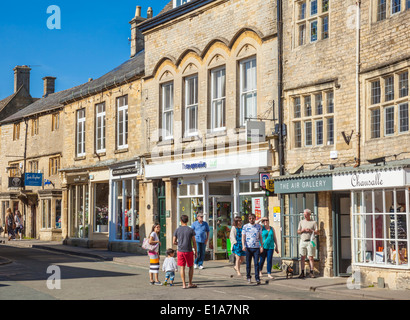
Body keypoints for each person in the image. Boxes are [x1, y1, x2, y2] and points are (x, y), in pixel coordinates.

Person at [173, 215, 198, 289]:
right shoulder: (191, 230)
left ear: (181, 221)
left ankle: (183, 284)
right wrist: (196, 251)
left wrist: (179, 243)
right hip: (188, 250)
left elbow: (174, 242)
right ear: (187, 221)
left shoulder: (177, 230)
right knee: (190, 267)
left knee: (182, 267)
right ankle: (190, 283)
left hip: (180, 250)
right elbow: (194, 242)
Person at [242, 213, 263, 285]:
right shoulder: (245, 226)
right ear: (248, 219)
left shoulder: (258, 226)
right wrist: (243, 245)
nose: (251, 220)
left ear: (255, 219)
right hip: (248, 247)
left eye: (253, 218)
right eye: (250, 218)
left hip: (256, 247)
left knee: (256, 263)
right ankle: (248, 277)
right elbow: (243, 237)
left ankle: (257, 278)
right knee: (248, 264)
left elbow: (260, 236)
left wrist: (261, 246)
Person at [297, 209, 319, 278]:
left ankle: (311, 272)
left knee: (310, 257)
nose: (305, 216)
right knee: (302, 257)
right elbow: (298, 231)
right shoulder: (301, 222)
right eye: (304, 214)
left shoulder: (314, 222)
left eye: (306, 214)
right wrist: (302, 230)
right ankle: (302, 272)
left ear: (310, 214)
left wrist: (311, 230)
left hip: (310, 241)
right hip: (303, 240)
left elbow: (317, 232)